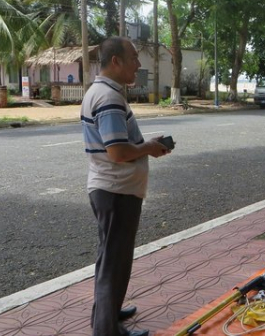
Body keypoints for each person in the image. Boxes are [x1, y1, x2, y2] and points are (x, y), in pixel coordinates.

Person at [81, 37, 171, 336]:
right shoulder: (108, 99)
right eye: (133, 57)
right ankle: (107, 330)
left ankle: (107, 312)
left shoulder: (103, 92)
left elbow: (119, 144)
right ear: (116, 61)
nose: (138, 64)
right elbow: (118, 152)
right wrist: (147, 148)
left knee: (109, 258)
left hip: (111, 189)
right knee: (114, 264)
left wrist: (146, 145)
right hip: (116, 191)